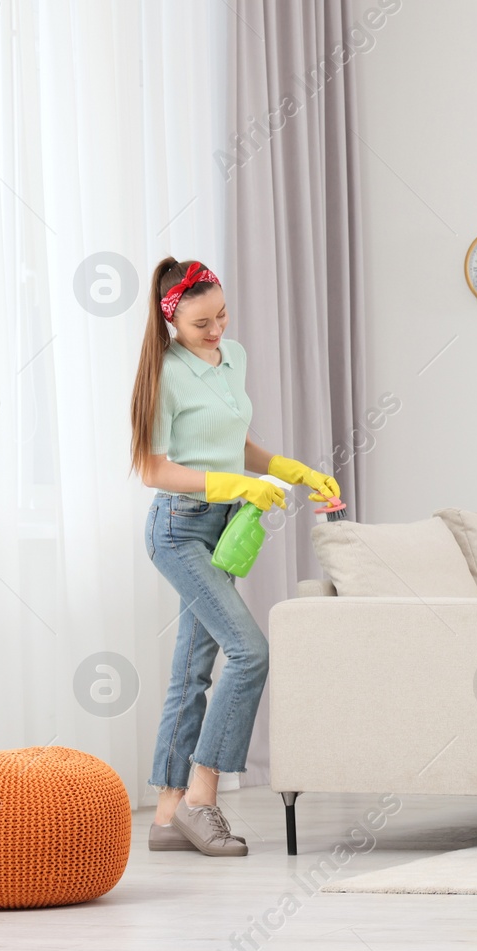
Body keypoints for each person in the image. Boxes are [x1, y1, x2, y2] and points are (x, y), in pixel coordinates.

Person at [128, 258, 339, 856]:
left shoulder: (234, 356)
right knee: (249, 651)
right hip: (178, 528)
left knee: (190, 672)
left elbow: (231, 440)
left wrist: (288, 470)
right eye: (202, 324)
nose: (217, 330)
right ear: (173, 322)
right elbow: (153, 468)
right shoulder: (163, 373)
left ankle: (168, 817)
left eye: (222, 315)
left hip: (223, 530)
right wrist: (234, 485)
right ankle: (202, 797)